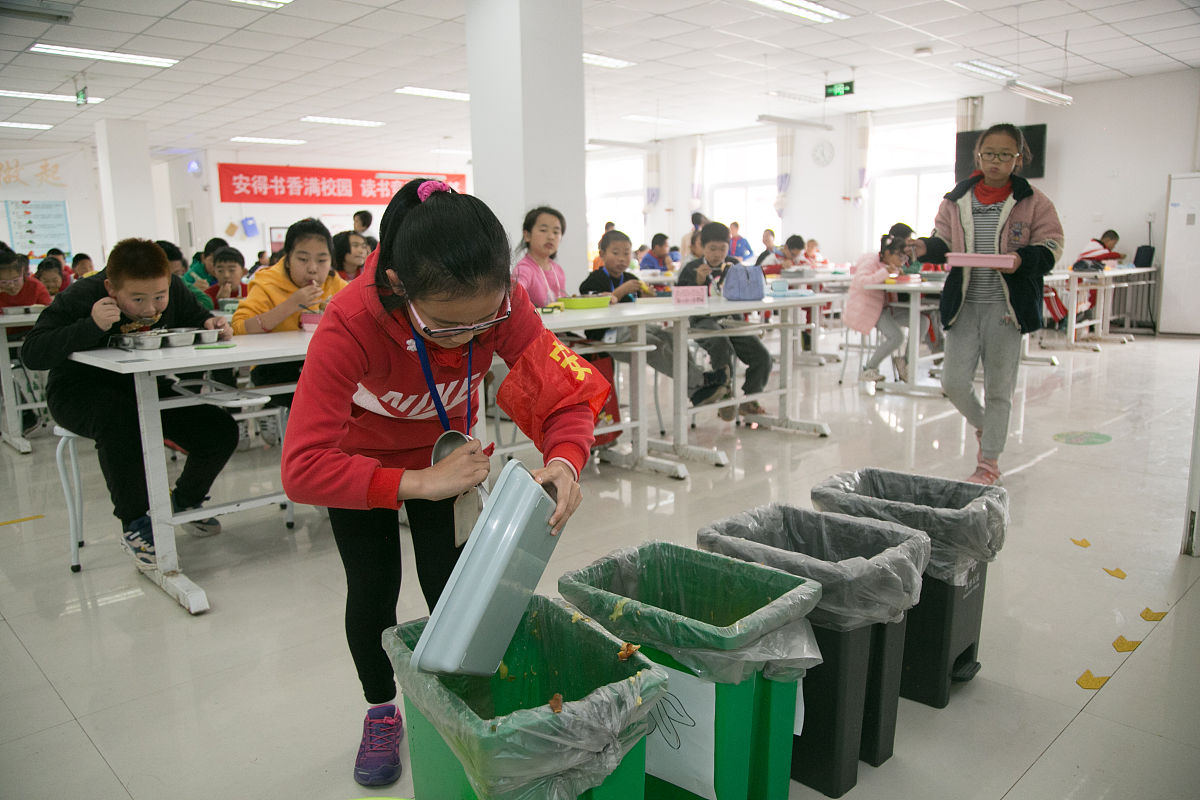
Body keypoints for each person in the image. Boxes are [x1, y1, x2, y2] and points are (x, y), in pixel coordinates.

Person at [280, 178, 608, 788]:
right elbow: (303, 466)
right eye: (447, 328)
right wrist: (416, 482)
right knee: (374, 591)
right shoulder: (348, 323)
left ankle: (458, 705)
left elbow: (566, 395)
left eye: (483, 324)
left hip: (450, 458)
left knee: (458, 591)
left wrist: (565, 459)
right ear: (401, 288)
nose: (469, 338)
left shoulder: (499, 302)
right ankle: (382, 710)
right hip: (366, 470)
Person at [20, 239, 235, 570]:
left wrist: (211, 324)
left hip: (147, 384)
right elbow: (32, 353)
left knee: (219, 428)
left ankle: (184, 501)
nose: (151, 308)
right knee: (121, 421)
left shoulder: (173, 287)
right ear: (110, 287)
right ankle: (136, 522)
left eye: (159, 297)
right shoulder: (81, 296)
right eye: (137, 299)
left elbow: (197, 316)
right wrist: (89, 326)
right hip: (78, 391)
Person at [911, 123, 1063, 485]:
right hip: (965, 305)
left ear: (1018, 158)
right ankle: (986, 427)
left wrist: (1023, 260)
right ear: (978, 156)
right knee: (953, 381)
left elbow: (1052, 245)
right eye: (989, 154)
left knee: (999, 388)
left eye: (1005, 155)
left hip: (1006, 309)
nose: (996, 161)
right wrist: (923, 248)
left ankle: (988, 463)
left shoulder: (1033, 200)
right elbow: (941, 241)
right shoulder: (956, 198)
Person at [579, 229, 728, 407]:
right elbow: (591, 302)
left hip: (634, 327)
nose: (621, 258)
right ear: (602, 254)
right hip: (606, 337)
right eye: (615, 253)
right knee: (651, 344)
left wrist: (647, 297)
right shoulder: (593, 279)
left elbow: (641, 305)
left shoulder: (630, 277)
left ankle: (695, 391)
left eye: (626, 253)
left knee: (672, 336)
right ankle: (700, 379)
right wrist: (620, 291)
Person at [232, 218, 347, 408]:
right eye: (302, 259)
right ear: (287, 259)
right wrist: (291, 304)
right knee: (311, 397)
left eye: (322, 260)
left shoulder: (334, 283)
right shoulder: (267, 282)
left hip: (321, 361)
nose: (312, 268)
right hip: (272, 365)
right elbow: (239, 328)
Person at [677, 222, 772, 419]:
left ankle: (750, 399)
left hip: (732, 322)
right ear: (702, 247)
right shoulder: (692, 268)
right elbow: (680, 301)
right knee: (722, 344)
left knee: (762, 355)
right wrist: (698, 283)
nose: (717, 254)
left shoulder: (733, 266)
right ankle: (725, 393)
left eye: (723, 249)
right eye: (712, 249)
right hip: (703, 321)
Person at [845, 234, 910, 383]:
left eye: (904, 258)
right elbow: (862, 281)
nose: (902, 261)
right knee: (897, 337)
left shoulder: (889, 266)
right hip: (868, 309)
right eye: (900, 257)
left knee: (922, 321)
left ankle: (905, 363)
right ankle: (869, 369)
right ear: (887, 253)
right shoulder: (871, 261)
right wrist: (887, 271)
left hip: (885, 308)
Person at [512, 206, 567, 308]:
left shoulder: (558, 270)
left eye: (556, 232)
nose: (551, 236)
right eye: (543, 230)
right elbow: (513, 296)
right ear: (527, 235)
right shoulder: (524, 269)